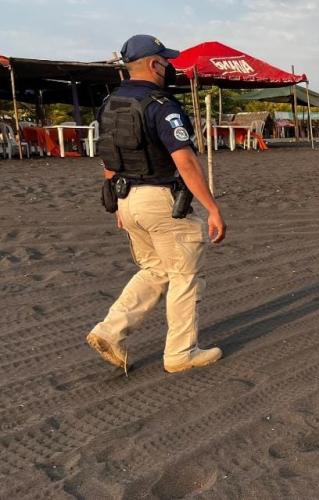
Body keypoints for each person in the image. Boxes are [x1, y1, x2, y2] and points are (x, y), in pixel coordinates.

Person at [86, 35, 227, 374]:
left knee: (155, 269)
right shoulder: (160, 105)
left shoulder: (109, 105)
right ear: (153, 64)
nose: (169, 68)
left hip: (127, 199)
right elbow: (186, 161)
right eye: (165, 62)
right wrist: (212, 208)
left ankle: (109, 331)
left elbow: (109, 158)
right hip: (162, 201)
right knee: (184, 274)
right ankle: (181, 352)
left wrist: (118, 204)